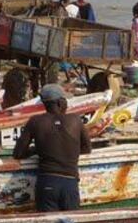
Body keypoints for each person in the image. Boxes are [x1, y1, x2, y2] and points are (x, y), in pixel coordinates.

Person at [13, 83, 92, 212]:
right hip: (70, 183)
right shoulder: (75, 120)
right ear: (60, 103)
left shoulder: (35, 121)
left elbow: (18, 153)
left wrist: (37, 149)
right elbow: (87, 149)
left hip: (47, 182)